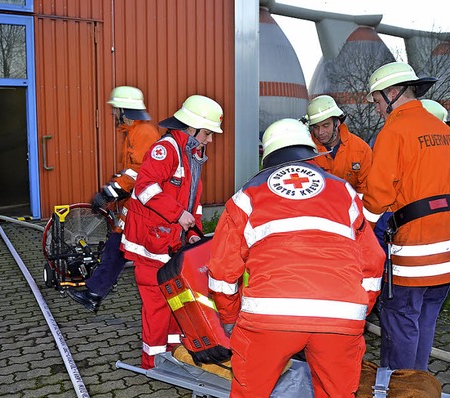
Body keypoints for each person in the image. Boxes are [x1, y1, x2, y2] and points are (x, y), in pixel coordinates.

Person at [207, 118, 384, 397]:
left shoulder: (247, 196)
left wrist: (230, 317)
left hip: (269, 316)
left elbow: (222, 272)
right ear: (311, 152)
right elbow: (373, 263)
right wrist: (358, 308)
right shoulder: (345, 192)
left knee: (250, 393)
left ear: (267, 156)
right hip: (340, 317)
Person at [363, 61, 450, 371]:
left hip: (418, 245)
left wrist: (358, 228)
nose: (376, 110)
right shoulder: (445, 132)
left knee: (399, 318)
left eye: (376, 101)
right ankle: (420, 382)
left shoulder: (395, 130)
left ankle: (400, 387)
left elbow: (379, 196)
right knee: (425, 317)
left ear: (391, 93)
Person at [121, 94, 223, 369]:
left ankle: (174, 354)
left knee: (175, 300)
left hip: (170, 240)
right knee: (156, 305)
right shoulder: (166, 150)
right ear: (191, 128)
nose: (210, 140)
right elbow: (145, 188)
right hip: (151, 243)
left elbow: (193, 202)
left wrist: (193, 231)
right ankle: (152, 362)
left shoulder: (192, 154)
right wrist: (179, 215)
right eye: (207, 133)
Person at [67, 86, 161, 311]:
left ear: (125, 110)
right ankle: (94, 293)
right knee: (117, 248)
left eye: (116, 109)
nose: (114, 113)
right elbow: (131, 171)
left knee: (127, 250)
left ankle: (95, 293)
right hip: (138, 205)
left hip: (147, 207)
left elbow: (139, 173)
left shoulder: (143, 133)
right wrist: (113, 187)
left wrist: (107, 193)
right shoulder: (135, 132)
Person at [306, 94, 372, 195]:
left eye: (325, 125)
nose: (320, 132)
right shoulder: (306, 151)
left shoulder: (361, 150)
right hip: (318, 208)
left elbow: (367, 191)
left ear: (336, 123)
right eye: (316, 127)